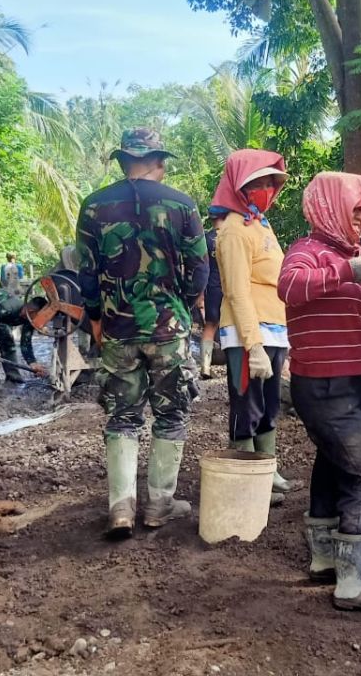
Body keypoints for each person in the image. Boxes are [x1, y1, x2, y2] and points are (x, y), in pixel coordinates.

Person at [278, 171, 361, 612]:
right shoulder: (308, 252)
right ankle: (353, 580)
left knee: (334, 465)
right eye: (353, 211)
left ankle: (324, 558)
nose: (360, 220)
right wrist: (346, 271)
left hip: (350, 383)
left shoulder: (353, 259)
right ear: (329, 208)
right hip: (325, 385)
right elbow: (290, 288)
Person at [76, 128, 208, 537]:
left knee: (122, 416)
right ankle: (159, 504)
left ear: (121, 161)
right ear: (158, 161)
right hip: (169, 329)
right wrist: (182, 305)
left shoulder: (94, 206)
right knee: (171, 412)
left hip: (117, 329)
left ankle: (120, 508)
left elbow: (86, 274)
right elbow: (200, 269)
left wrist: (97, 318)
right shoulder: (182, 204)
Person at [211, 148, 294, 500]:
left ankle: (267, 468)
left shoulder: (259, 224)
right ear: (240, 186)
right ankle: (245, 474)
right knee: (247, 406)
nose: (266, 189)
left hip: (273, 330)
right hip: (250, 334)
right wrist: (253, 344)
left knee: (270, 405)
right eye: (258, 182)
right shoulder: (232, 231)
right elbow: (237, 292)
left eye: (270, 182)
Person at [198, 215, 224, 379]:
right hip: (231, 287)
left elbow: (201, 268)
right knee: (234, 328)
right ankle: (236, 368)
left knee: (209, 326)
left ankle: (205, 367)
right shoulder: (233, 235)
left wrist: (200, 295)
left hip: (211, 288)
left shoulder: (205, 239)